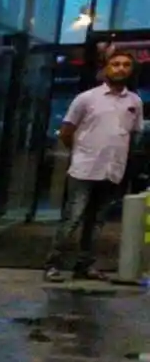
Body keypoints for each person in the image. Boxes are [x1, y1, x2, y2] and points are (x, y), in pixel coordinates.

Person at [46, 47, 144, 282]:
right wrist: (81, 152)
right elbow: (67, 130)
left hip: (112, 170)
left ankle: (84, 265)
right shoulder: (87, 98)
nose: (120, 68)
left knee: (97, 222)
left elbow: (134, 134)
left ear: (131, 71)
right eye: (116, 64)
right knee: (73, 218)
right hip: (85, 168)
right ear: (106, 68)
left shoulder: (135, 102)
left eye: (125, 65)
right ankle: (53, 265)